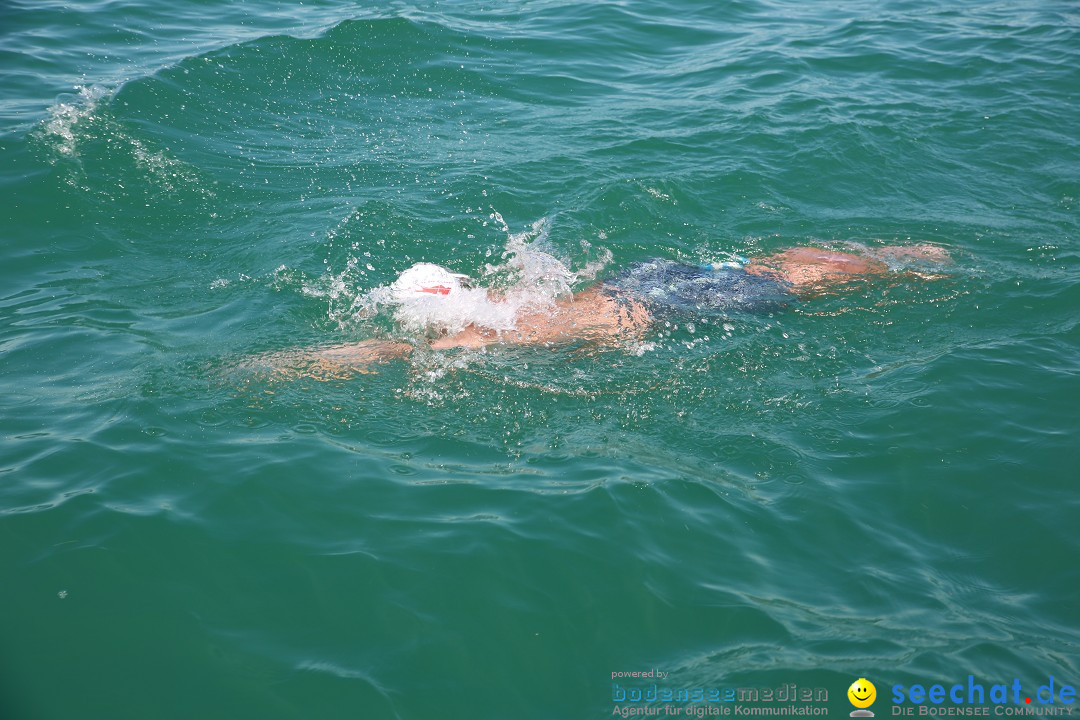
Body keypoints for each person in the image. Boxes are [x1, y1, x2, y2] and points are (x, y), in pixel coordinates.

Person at [259, 242, 949, 378]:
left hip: (645, 306)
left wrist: (309, 361)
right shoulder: (498, 304)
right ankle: (899, 256)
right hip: (637, 285)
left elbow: (401, 352)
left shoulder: (477, 330)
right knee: (778, 269)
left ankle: (899, 261)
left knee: (792, 283)